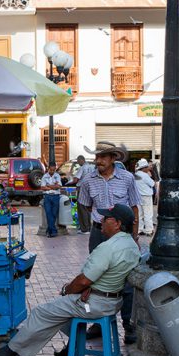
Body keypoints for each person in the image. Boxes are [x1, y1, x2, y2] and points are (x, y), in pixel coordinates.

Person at [0, 204, 140, 356]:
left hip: (95, 304)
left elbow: (83, 280)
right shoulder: (131, 245)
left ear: (118, 224)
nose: (101, 221)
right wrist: (90, 288)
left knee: (41, 312)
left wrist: (67, 290)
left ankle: (8, 352)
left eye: (106, 218)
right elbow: (107, 277)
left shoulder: (108, 247)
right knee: (59, 312)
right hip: (111, 301)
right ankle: (70, 345)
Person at [78, 141, 141, 344]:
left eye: (103, 157)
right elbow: (87, 206)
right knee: (97, 276)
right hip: (99, 232)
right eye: (97, 157)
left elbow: (134, 207)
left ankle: (128, 324)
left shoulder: (127, 178)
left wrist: (134, 235)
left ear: (113, 158)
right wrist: (103, 224)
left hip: (123, 234)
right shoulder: (88, 180)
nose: (98, 161)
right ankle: (98, 322)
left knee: (128, 278)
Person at [67, 155, 96, 234]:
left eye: (78, 161)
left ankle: (84, 229)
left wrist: (68, 182)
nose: (78, 163)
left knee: (81, 209)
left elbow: (76, 179)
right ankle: (89, 228)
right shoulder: (92, 167)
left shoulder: (82, 168)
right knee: (88, 209)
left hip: (82, 189)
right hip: (90, 189)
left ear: (81, 160)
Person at [41, 162, 62, 238]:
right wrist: (54, 186)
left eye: (54, 170)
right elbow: (43, 187)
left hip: (56, 196)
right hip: (47, 196)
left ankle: (49, 231)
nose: (52, 171)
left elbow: (59, 186)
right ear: (48, 169)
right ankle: (53, 231)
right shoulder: (44, 176)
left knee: (54, 214)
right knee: (48, 213)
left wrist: (49, 186)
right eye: (51, 170)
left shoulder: (57, 176)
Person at [134, 158, 155, 236]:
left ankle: (139, 229)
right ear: (144, 168)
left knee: (140, 214)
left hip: (138, 196)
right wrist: (149, 176)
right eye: (147, 167)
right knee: (148, 213)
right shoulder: (145, 175)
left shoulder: (135, 175)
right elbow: (152, 184)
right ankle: (149, 230)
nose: (148, 168)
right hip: (146, 196)